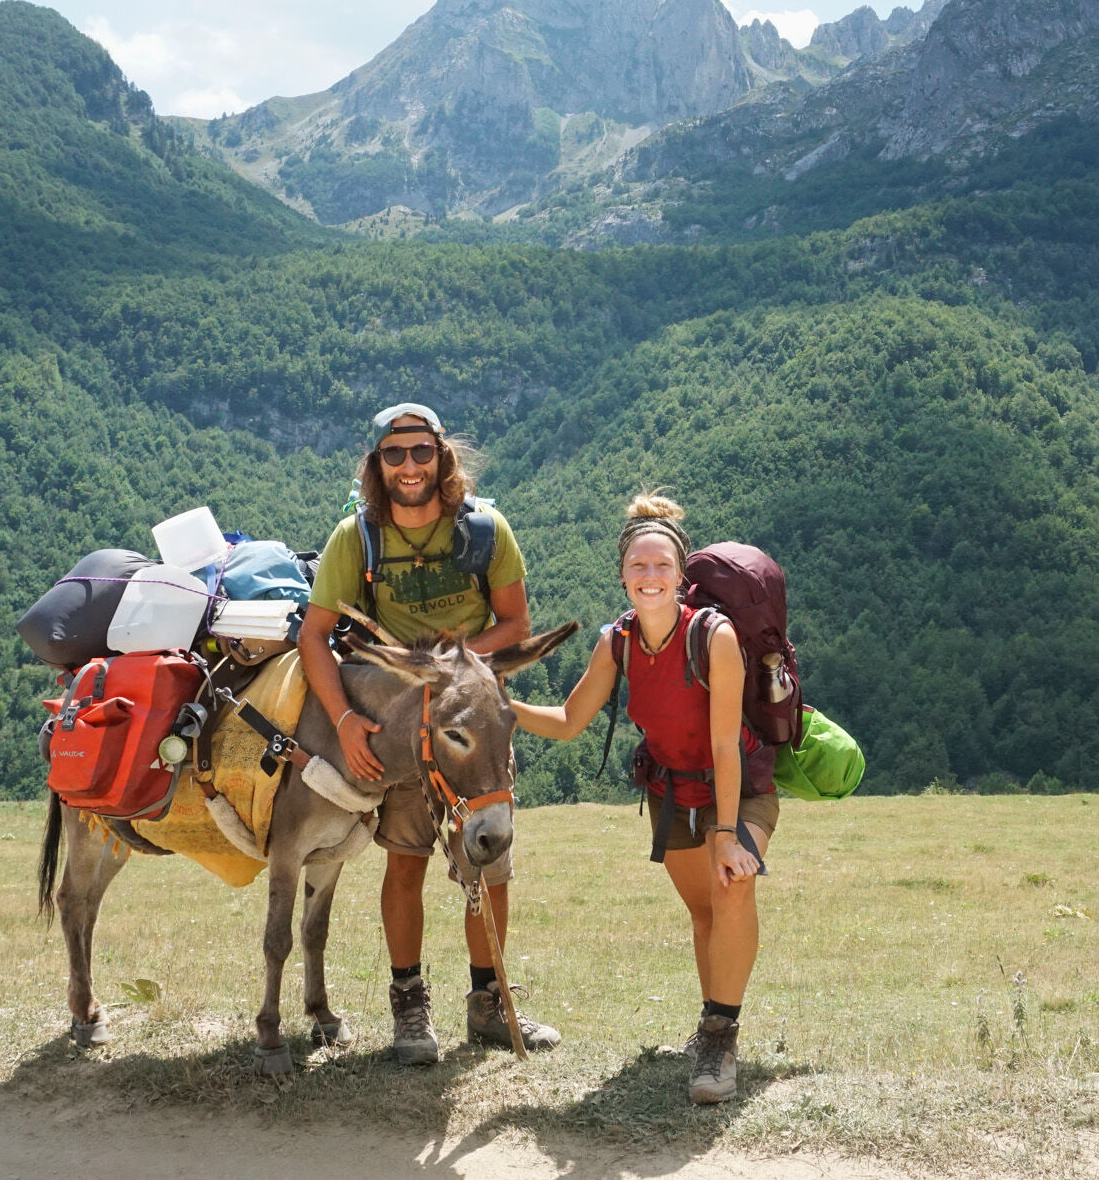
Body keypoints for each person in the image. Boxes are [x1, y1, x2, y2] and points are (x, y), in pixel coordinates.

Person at [297, 402, 561, 1063]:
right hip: (406, 729)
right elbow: (313, 635)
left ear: (442, 457)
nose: (409, 466)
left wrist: (450, 662)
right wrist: (346, 718)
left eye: (421, 452)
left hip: (473, 721)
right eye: (395, 455)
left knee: (489, 860)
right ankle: (410, 1007)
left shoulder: (486, 530)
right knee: (406, 858)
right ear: (377, 465)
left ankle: (489, 1006)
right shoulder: (354, 538)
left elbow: (515, 624)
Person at [511, 494, 777, 1104]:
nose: (650, 577)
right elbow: (569, 720)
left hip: (737, 789)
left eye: (662, 566)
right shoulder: (619, 642)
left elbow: (726, 746)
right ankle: (713, 1022)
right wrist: (502, 707)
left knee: (733, 884)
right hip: (670, 791)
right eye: (639, 566)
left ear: (681, 576)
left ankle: (719, 1038)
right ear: (623, 575)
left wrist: (729, 831)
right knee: (703, 912)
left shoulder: (715, 637)